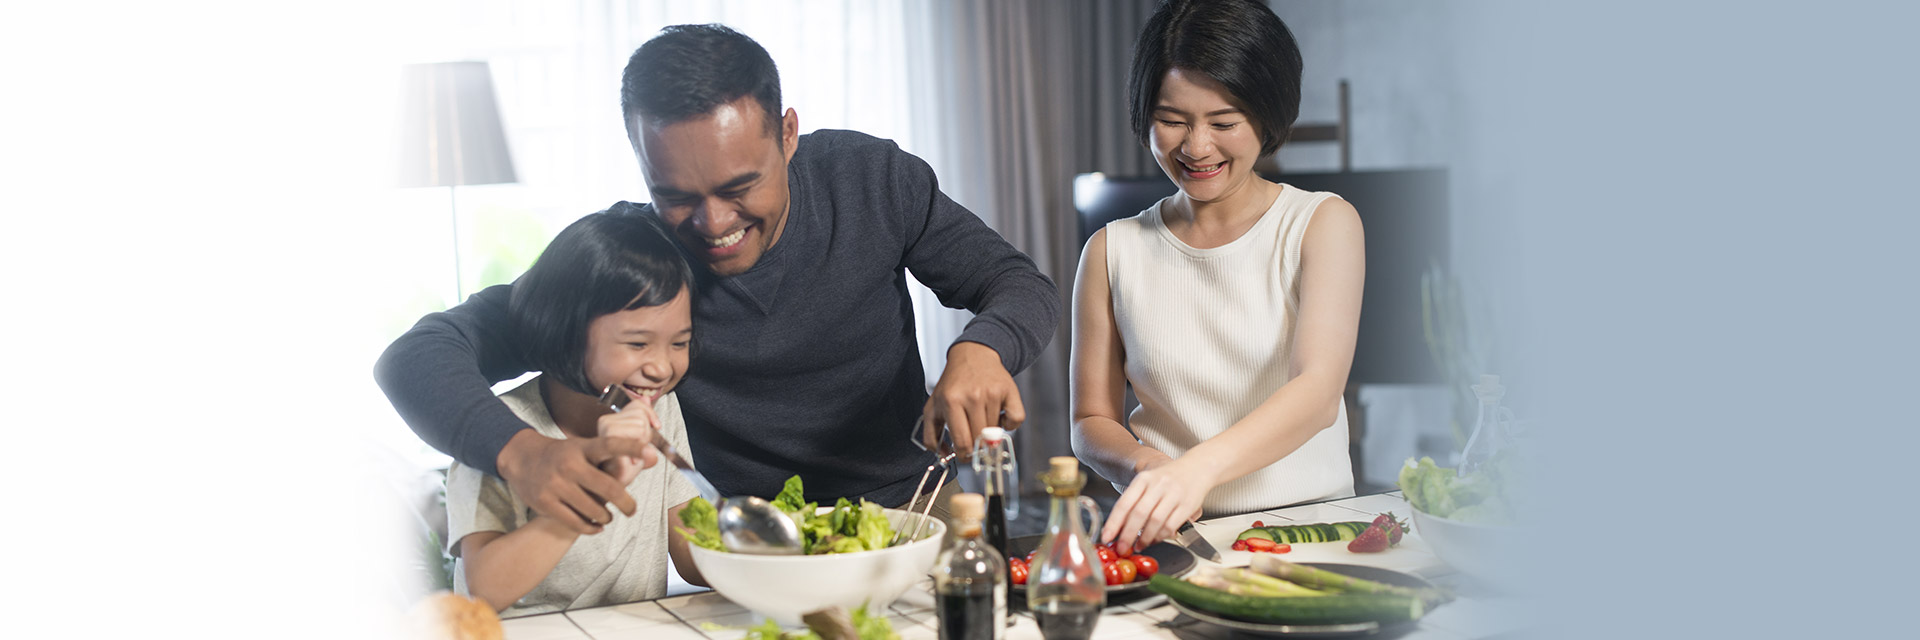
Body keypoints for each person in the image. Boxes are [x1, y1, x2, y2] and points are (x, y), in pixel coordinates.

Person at [378, 24, 1058, 535]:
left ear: (787, 134)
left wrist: (984, 347)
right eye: (675, 194)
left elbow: (1017, 283)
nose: (712, 222)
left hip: (910, 513)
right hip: (744, 544)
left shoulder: (871, 180)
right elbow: (416, 355)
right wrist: (518, 454)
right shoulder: (629, 264)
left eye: (741, 186)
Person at [1072, 0, 1366, 554]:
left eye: (1224, 122)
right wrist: (1148, 465)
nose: (1196, 146)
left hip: (1311, 529)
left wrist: (1195, 471)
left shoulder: (1322, 223)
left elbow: (1318, 391)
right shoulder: (1111, 249)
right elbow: (1091, 419)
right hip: (1175, 536)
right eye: (1172, 120)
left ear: (1268, 116)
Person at [445, 212, 703, 615]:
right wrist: (599, 486)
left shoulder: (656, 405)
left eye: (679, 343)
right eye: (637, 344)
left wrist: (783, 551)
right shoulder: (499, 431)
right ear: (567, 333)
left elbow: (688, 551)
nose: (661, 367)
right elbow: (485, 590)